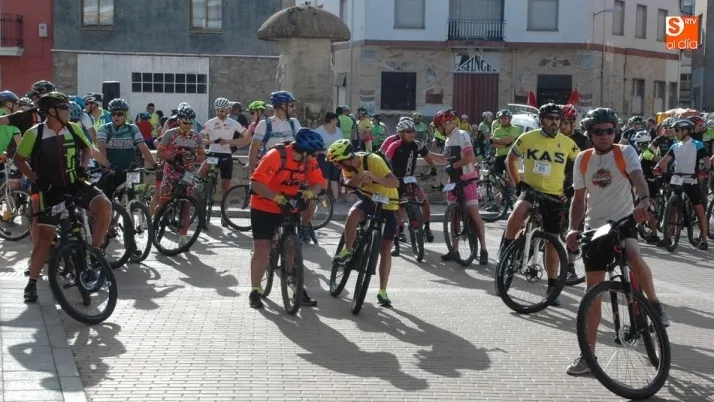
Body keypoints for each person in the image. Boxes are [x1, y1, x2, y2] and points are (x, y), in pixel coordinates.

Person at [565, 107, 670, 376]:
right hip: (595, 227)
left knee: (634, 256)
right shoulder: (583, 159)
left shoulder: (625, 152)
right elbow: (579, 199)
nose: (605, 135)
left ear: (615, 131)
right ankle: (588, 356)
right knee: (592, 293)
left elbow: (638, 179)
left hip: (624, 221)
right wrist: (572, 229)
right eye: (599, 131)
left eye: (610, 130)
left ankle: (654, 303)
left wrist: (644, 201)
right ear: (590, 134)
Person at [13, 92, 112, 303]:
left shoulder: (73, 128)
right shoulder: (35, 133)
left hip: (75, 184)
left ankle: (94, 252)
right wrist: (35, 178)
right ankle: (32, 283)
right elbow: (19, 159)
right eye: (64, 107)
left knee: (104, 205)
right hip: (51, 190)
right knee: (45, 237)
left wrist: (83, 167)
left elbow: (86, 148)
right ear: (52, 111)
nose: (69, 110)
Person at [500, 103, 580, 306]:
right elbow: (510, 159)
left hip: (554, 196)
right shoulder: (528, 137)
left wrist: (572, 189)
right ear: (541, 120)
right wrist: (518, 183)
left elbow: (583, 166)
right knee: (519, 210)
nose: (554, 122)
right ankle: (506, 249)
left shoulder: (567, 143)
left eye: (557, 119)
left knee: (553, 242)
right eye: (550, 118)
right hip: (531, 190)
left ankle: (552, 286)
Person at [248, 128, 326, 309]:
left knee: (292, 246)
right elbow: (255, 183)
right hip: (264, 204)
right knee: (262, 247)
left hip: (290, 203)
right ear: (304, 151)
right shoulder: (276, 156)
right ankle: (255, 291)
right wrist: (275, 197)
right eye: (314, 153)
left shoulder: (309, 160)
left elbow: (319, 183)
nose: (316, 157)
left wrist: (309, 192)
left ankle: (296, 286)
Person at [328, 138, 400, 307]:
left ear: (347, 157)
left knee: (386, 249)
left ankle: (382, 291)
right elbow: (347, 186)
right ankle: (348, 250)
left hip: (388, 202)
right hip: (368, 199)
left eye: (338, 163)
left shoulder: (373, 160)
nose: (338, 166)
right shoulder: (348, 167)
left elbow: (395, 182)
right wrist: (359, 178)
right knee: (353, 214)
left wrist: (375, 178)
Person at [430, 109, 489, 265]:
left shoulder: (462, 135)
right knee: (453, 215)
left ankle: (483, 249)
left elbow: (470, 157)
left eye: (438, 126)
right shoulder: (448, 139)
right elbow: (445, 159)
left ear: (445, 124)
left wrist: (454, 165)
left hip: (467, 178)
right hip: (454, 179)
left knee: (473, 213)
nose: (437, 130)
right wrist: (428, 154)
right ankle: (454, 249)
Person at [384, 117, 443, 255]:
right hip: (397, 182)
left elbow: (427, 156)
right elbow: (385, 161)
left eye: (413, 131)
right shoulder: (395, 145)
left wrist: (433, 168)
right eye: (408, 131)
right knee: (399, 212)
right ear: (401, 133)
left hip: (410, 181)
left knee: (425, 201)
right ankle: (396, 243)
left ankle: (427, 227)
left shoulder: (417, 145)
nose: (412, 133)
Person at [654, 118, 710, 250]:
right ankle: (668, 236)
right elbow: (665, 160)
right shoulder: (675, 146)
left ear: (686, 131)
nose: (675, 133)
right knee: (672, 208)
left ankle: (704, 239)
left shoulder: (697, 144)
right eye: (674, 130)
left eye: (677, 130)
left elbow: (707, 159)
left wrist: (706, 170)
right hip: (677, 179)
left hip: (691, 180)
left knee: (699, 211)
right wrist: (657, 167)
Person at [155, 106, 206, 247]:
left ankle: (183, 238)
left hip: (188, 173)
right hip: (171, 171)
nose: (188, 126)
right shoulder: (170, 134)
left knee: (186, 205)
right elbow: (159, 153)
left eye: (190, 123)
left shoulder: (196, 136)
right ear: (179, 121)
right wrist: (172, 157)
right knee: (164, 201)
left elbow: (202, 157)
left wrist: (193, 157)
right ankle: (155, 223)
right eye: (185, 123)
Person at [96, 98, 155, 200]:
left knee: (134, 197)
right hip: (112, 171)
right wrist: (106, 167)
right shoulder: (104, 128)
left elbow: (143, 147)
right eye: (113, 114)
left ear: (125, 115)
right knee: (108, 199)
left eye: (119, 114)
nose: (116, 116)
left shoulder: (132, 128)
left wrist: (155, 164)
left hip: (130, 169)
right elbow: (101, 148)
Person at [197, 98, 247, 206]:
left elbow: (247, 136)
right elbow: (199, 137)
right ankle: (198, 189)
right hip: (213, 153)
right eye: (218, 111)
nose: (220, 113)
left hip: (226, 155)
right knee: (203, 170)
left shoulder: (234, 123)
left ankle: (225, 210)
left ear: (228, 110)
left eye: (222, 111)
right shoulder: (210, 122)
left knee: (226, 186)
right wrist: (208, 142)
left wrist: (235, 144)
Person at [248, 91, 301, 173]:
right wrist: (252, 173)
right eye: (292, 105)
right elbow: (253, 151)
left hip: (290, 171)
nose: (294, 108)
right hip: (270, 171)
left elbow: (302, 146)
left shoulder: (294, 122)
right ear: (283, 105)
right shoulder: (264, 124)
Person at [315, 112, 343, 202]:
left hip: (336, 158)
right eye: (336, 119)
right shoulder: (319, 130)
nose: (337, 121)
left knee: (335, 177)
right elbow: (315, 143)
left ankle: (336, 198)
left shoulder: (338, 130)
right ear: (332, 119)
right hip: (323, 156)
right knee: (325, 177)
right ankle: (323, 198)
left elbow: (342, 142)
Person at [491, 109, 522, 178]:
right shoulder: (496, 130)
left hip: (510, 156)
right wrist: (505, 145)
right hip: (499, 156)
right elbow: (493, 144)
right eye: (501, 118)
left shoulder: (515, 128)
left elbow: (507, 141)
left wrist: (494, 140)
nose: (503, 120)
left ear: (510, 119)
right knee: (496, 177)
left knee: (510, 177)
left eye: (505, 118)